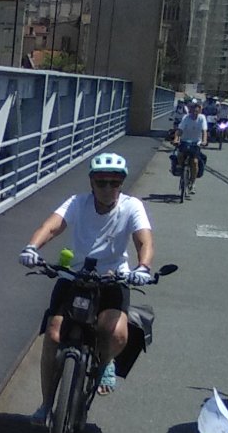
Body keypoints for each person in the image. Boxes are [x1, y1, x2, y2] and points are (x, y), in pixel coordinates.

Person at [20, 152, 154, 404]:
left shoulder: (131, 206)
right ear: (91, 182)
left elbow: (143, 239)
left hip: (113, 278)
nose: (108, 188)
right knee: (53, 334)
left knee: (115, 334)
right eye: (101, 182)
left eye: (114, 182)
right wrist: (31, 248)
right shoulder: (76, 203)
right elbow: (51, 226)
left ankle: (106, 363)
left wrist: (143, 267)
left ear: (121, 184)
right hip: (74, 277)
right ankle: (47, 403)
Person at [172, 100, 208, 195]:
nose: (194, 113)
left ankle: (192, 183)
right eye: (193, 111)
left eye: (197, 111)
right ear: (190, 111)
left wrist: (204, 141)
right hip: (184, 141)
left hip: (196, 143)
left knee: (195, 162)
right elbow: (180, 130)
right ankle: (181, 168)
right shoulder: (186, 118)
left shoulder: (202, 118)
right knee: (180, 155)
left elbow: (204, 131)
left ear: (199, 111)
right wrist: (176, 139)